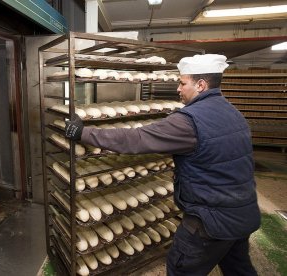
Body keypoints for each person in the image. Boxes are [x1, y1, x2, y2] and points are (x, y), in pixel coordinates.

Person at [64, 54, 260, 275]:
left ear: (201, 85)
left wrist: (84, 133)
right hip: (244, 212)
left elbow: (135, 138)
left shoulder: (189, 121)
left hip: (210, 221)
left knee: (181, 269)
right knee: (239, 269)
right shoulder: (233, 112)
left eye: (182, 82)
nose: (178, 88)